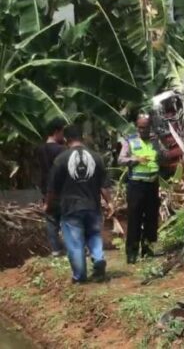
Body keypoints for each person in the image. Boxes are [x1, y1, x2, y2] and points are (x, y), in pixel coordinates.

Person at [46, 125, 114, 283]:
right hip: (93, 205)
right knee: (94, 235)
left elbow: (52, 189)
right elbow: (104, 185)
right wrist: (110, 203)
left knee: (75, 243)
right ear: (81, 137)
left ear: (65, 139)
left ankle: (80, 276)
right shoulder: (96, 157)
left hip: (71, 207)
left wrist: (48, 206)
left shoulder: (61, 159)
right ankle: (98, 258)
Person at [118, 114, 167, 264]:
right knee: (134, 219)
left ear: (150, 127)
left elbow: (165, 156)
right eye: (140, 127)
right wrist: (135, 160)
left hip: (152, 184)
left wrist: (159, 151)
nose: (143, 130)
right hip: (136, 185)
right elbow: (120, 159)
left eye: (145, 127)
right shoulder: (130, 140)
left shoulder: (155, 140)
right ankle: (131, 253)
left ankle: (147, 250)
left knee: (151, 218)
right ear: (136, 126)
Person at [38, 118, 67, 257]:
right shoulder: (61, 150)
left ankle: (56, 250)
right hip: (61, 189)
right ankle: (72, 247)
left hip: (46, 189)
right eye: (62, 132)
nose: (63, 135)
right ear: (57, 131)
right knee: (66, 219)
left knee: (51, 219)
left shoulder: (40, 149)